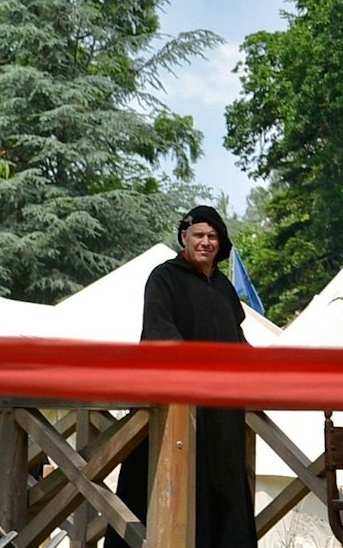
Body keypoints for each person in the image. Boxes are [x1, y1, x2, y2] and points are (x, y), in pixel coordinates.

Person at [108, 206, 255, 548]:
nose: (206, 242)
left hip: (221, 415)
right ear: (184, 237)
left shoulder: (223, 288)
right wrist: (195, 370)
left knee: (223, 494)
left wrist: (267, 370)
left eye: (213, 237)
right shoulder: (164, 278)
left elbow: (238, 341)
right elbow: (160, 333)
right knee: (163, 489)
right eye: (199, 235)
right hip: (173, 409)